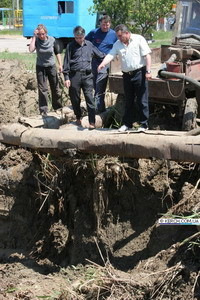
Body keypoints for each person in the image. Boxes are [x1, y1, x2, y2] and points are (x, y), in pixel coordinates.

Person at [98, 24, 152, 132]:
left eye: (120, 36)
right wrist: (103, 63)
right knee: (128, 100)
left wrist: (148, 71)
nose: (119, 38)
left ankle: (144, 125)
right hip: (127, 75)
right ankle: (127, 124)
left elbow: (147, 55)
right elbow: (111, 55)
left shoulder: (138, 39)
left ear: (126, 33)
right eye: (117, 36)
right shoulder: (118, 44)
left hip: (139, 73)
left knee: (142, 100)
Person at [63, 26, 105, 129]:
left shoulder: (89, 45)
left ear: (84, 36)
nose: (78, 39)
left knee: (90, 98)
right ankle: (78, 116)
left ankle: (92, 122)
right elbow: (66, 63)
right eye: (76, 37)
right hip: (75, 75)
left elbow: (100, 55)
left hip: (87, 76)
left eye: (80, 37)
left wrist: (111, 57)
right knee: (75, 98)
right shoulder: (70, 46)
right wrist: (66, 77)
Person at [85, 15, 117, 113]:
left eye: (107, 25)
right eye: (103, 24)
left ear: (110, 24)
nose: (105, 27)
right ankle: (100, 108)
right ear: (100, 24)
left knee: (100, 84)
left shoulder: (114, 34)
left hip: (106, 62)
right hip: (94, 62)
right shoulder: (94, 32)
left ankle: (97, 109)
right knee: (95, 85)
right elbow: (85, 42)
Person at [29, 24, 62, 115]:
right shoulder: (37, 40)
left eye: (43, 34)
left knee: (55, 88)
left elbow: (57, 52)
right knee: (43, 89)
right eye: (39, 34)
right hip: (40, 67)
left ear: (46, 33)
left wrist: (60, 65)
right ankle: (43, 110)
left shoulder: (52, 40)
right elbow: (31, 50)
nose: (41, 36)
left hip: (51, 66)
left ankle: (58, 107)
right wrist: (34, 37)